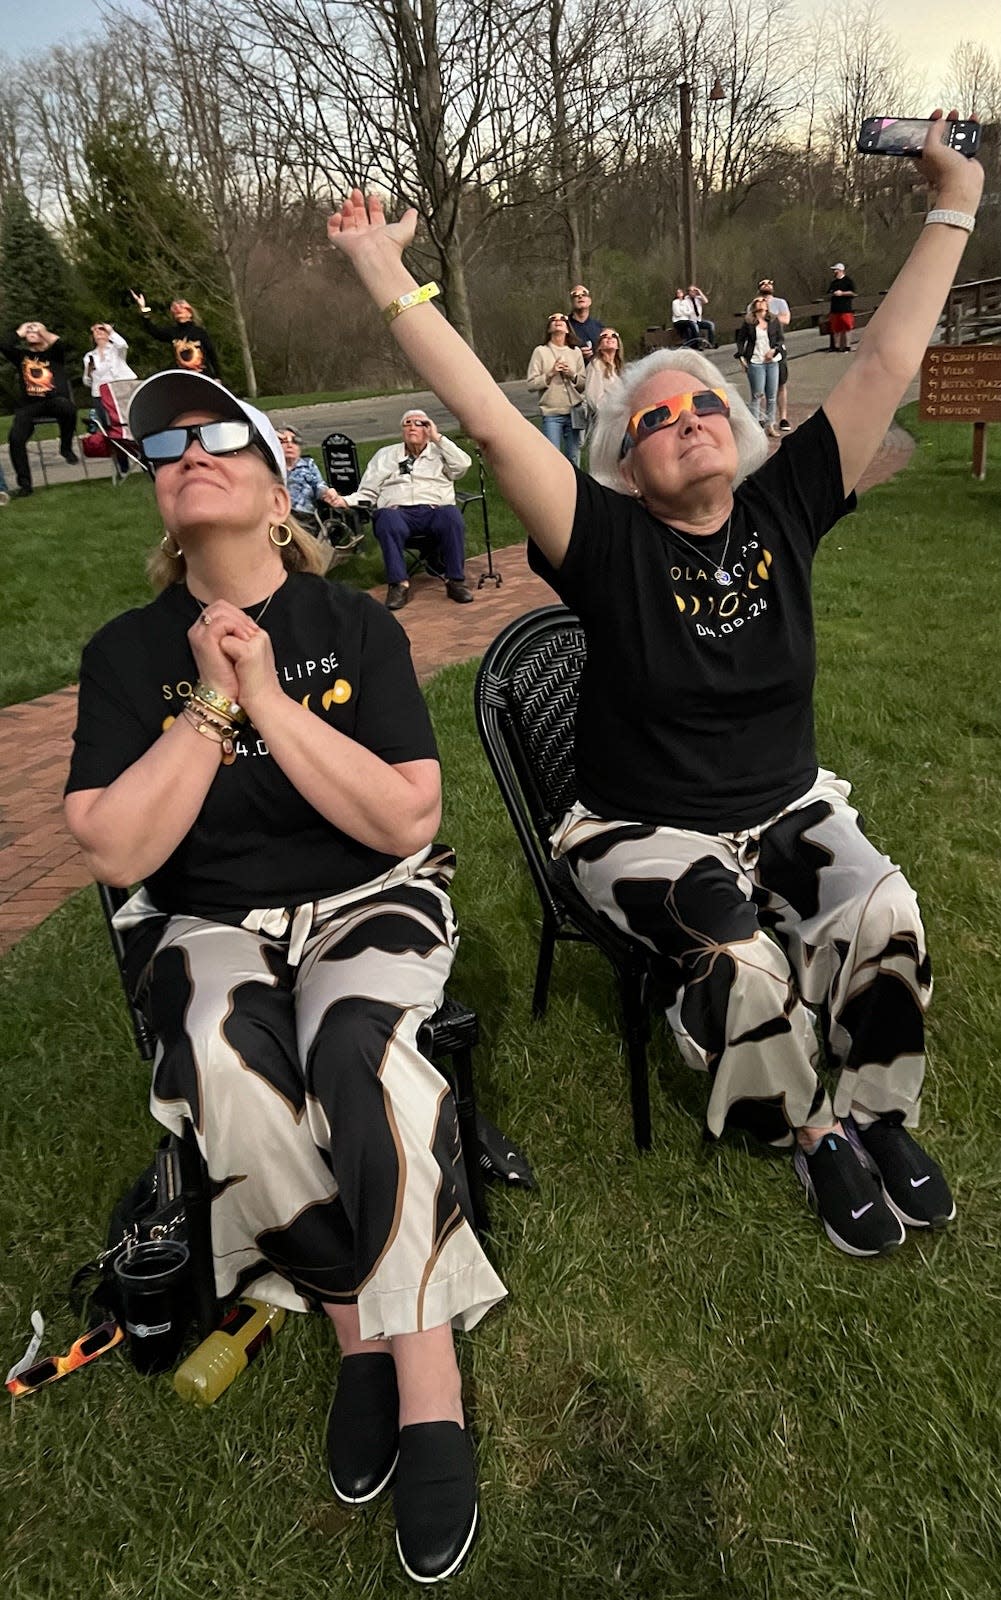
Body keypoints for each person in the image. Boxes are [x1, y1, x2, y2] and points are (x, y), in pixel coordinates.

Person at [327, 106, 981, 1261]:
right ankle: (811, 1131)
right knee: (736, 958)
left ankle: (881, 1113)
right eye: (653, 418)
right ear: (623, 462)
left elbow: (885, 355)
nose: (683, 421)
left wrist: (952, 202)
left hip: (784, 805)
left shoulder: (786, 505)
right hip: (640, 824)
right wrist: (384, 268)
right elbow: (483, 410)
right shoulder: (605, 541)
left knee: (884, 908)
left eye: (700, 406)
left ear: (737, 428)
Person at [64, 368, 505, 1585]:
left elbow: (407, 815)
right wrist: (213, 701)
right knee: (219, 1052)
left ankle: (426, 1380)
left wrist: (270, 691)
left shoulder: (351, 625)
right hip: (212, 915)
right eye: (167, 444)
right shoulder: (125, 653)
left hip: (371, 892)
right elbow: (115, 847)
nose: (188, 450)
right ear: (161, 500)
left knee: (354, 1048)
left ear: (276, 490)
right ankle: (355, 1324)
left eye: (217, 435)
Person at [329, 409, 474, 610]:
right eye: (407, 423)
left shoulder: (440, 452)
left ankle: (455, 581)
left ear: (428, 428)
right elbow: (368, 492)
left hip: (434, 510)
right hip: (398, 513)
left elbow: (463, 465)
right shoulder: (385, 455)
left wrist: (438, 438)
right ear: (402, 430)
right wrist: (344, 501)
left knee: (451, 515)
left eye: (419, 423)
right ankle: (398, 584)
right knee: (386, 518)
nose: (412, 427)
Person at [0, 320, 78, 497]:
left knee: (68, 407)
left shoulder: (54, 354)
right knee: (15, 438)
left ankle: (65, 447)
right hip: (30, 406)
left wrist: (41, 331)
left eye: (35, 329)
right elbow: (4, 345)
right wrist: (20, 331)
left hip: (55, 402)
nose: (31, 330)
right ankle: (25, 485)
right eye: (29, 330)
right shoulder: (22, 357)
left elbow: (59, 342)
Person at [526, 314, 586, 466]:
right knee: (553, 459)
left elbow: (583, 385)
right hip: (551, 413)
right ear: (549, 328)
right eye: (553, 319)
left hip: (574, 412)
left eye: (562, 320)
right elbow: (531, 384)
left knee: (573, 458)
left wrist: (571, 374)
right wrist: (550, 373)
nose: (558, 321)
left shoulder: (576, 352)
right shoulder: (540, 351)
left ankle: (576, 488)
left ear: (567, 329)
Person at [83, 323, 138, 473]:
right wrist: (89, 372)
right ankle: (122, 464)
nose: (98, 333)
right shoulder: (89, 356)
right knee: (110, 429)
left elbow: (123, 345)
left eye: (101, 330)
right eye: (95, 331)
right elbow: (87, 382)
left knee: (130, 424)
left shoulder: (115, 350)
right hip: (100, 395)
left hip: (120, 392)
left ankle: (142, 456)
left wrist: (110, 330)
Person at [130, 291, 221, 378]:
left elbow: (211, 354)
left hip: (201, 376)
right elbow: (154, 331)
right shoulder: (173, 332)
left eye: (182, 310)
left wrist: (217, 376)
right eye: (176, 311)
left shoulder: (200, 332)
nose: (179, 312)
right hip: (181, 377)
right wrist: (143, 308)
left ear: (190, 314)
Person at [735, 295, 785, 437]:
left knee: (771, 396)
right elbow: (740, 340)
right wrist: (741, 357)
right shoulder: (749, 323)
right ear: (754, 306)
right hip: (756, 362)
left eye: (763, 301)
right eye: (758, 301)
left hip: (772, 361)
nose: (761, 303)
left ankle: (770, 425)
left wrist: (774, 350)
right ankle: (755, 428)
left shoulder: (774, 321)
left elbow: (780, 340)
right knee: (757, 395)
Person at [276, 425, 340, 530]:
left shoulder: (308, 464)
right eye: (284, 442)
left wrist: (327, 492)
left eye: (294, 441)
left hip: (305, 516)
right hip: (281, 516)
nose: (290, 445)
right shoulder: (272, 467)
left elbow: (319, 486)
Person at [749, 277, 791, 431]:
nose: (767, 285)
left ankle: (783, 417)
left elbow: (786, 319)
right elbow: (749, 322)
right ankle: (760, 418)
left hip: (776, 348)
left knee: (780, 384)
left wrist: (768, 316)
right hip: (758, 352)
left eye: (769, 283)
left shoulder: (780, 302)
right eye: (763, 283)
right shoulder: (752, 305)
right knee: (759, 388)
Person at [584, 328, 624, 420]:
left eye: (613, 336)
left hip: (618, 420)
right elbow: (593, 399)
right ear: (599, 346)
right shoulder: (595, 365)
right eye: (604, 336)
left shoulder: (619, 368)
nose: (609, 338)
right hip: (603, 421)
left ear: (618, 344)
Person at [567, 284, 604, 363]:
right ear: (572, 302)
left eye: (584, 294)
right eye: (575, 295)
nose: (580, 297)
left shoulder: (599, 327)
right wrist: (577, 355)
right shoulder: (564, 326)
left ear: (590, 301)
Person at [826, 263, 857, 352]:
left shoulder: (848, 281)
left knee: (847, 327)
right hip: (835, 309)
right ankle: (837, 346)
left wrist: (842, 293)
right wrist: (833, 293)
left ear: (840, 270)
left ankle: (847, 346)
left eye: (835, 270)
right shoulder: (833, 283)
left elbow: (853, 293)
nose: (834, 272)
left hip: (845, 308)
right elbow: (828, 293)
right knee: (836, 328)